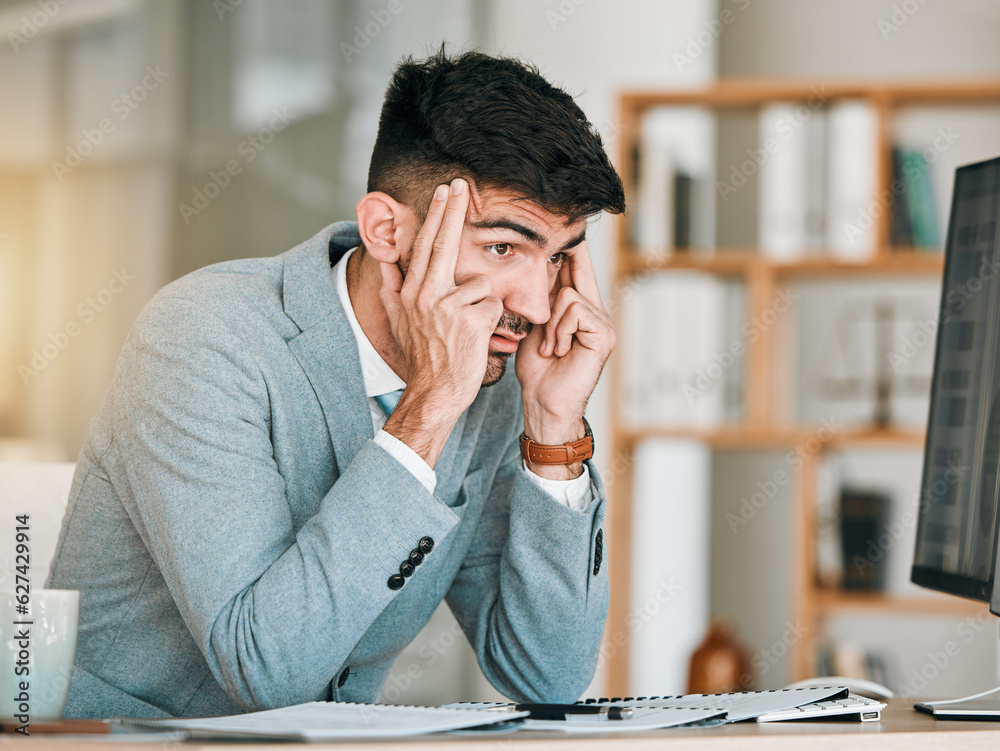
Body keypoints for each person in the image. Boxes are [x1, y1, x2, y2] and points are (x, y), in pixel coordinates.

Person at [47, 48, 626, 719]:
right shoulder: (203, 336)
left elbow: (545, 675)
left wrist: (554, 430)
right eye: (502, 248)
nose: (535, 300)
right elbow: (266, 667)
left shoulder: (494, 381)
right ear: (386, 230)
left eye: (557, 257)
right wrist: (430, 406)